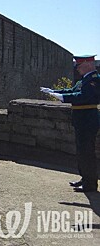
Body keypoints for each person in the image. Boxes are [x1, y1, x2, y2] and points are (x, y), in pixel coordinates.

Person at [41, 54, 99, 193]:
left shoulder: (94, 80)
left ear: (88, 64)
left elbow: (84, 97)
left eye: (79, 65)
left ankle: (90, 184)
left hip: (88, 119)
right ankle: (85, 178)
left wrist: (62, 97)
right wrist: (54, 91)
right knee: (81, 151)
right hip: (81, 119)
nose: (77, 68)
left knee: (87, 152)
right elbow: (72, 91)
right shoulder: (83, 80)